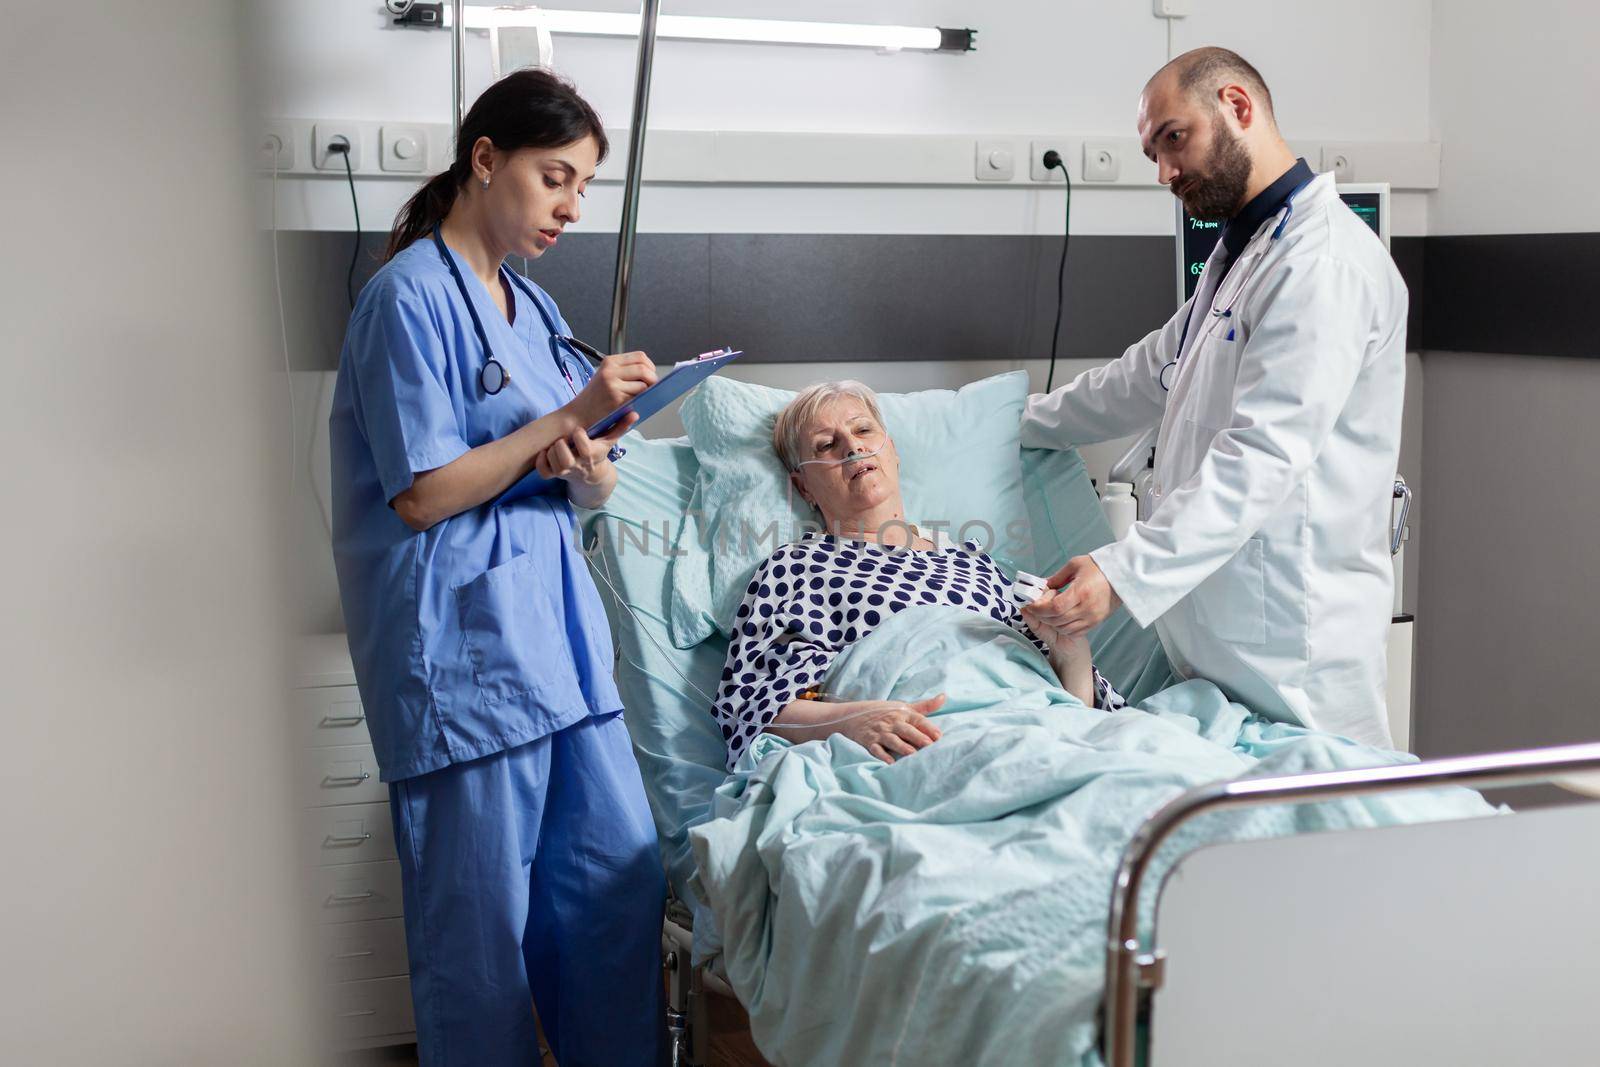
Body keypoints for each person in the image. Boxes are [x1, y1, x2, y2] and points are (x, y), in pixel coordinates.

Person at [329, 70, 666, 1066]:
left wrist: (590, 462)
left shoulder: (529, 301)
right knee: (479, 947)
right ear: (486, 159)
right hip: (465, 661)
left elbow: (563, 478)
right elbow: (422, 491)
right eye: (553, 176)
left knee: (618, 885)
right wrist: (566, 416)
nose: (569, 205)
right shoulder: (406, 301)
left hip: (558, 646)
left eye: (583, 187)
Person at [1023, 47, 1407, 748]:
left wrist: (1118, 572)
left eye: (1174, 138)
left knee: (1322, 836)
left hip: (1291, 650)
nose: (1166, 172)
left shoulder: (1321, 262)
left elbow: (1261, 455)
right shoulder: (1244, 253)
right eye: (1153, 154)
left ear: (1237, 106)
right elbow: (1143, 376)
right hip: (1217, 648)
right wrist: (1007, 423)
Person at [710, 381, 1126, 769]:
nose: (853, 448)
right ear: (803, 488)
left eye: (863, 431)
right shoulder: (797, 569)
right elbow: (754, 706)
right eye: (826, 444)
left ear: (892, 452)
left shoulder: (976, 563)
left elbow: (1078, 714)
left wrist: (1071, 652)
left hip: (1046, 735)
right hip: (930, 747)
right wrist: (852, 721)